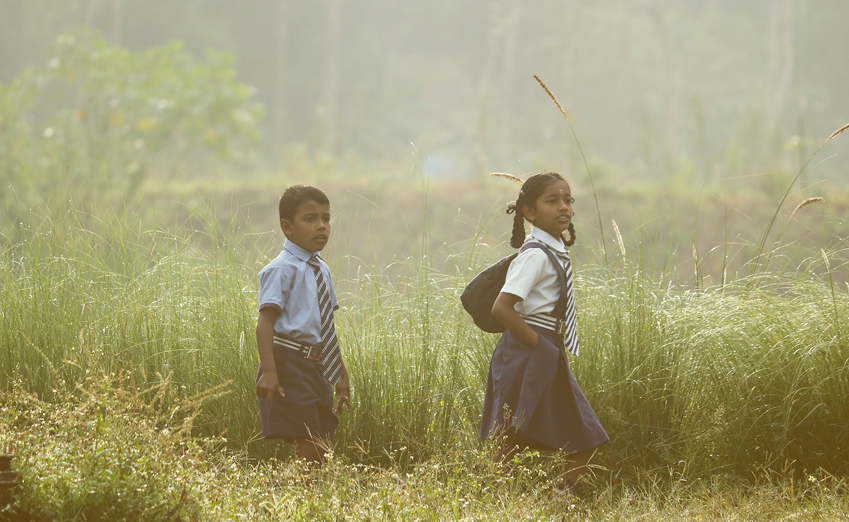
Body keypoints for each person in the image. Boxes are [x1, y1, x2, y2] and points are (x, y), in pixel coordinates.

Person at [480, 172, 608, 496]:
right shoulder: (535, 255)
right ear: (530, 212)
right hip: (528, 349)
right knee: (510, 438)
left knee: (585, 434)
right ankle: (499, 504)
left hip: (546, 348)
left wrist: (549, 349)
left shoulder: (553, 251)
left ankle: (555, 497)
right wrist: (540, 345)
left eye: (568, 200)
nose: (563, 207)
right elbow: (501, 308)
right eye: (552, 201)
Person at [255, 185, 353, 464]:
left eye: (326, 218)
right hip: (289, 362)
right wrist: (270, 372)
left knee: (323, 438)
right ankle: (294, 498)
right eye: (310, 219)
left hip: (318, 364)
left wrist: (340, 374)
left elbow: (326, 328)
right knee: (309, 439)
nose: (321, 226)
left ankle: (303, 497)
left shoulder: (321, 268)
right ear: (287, 227)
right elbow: (265, 323)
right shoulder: (280, 269)